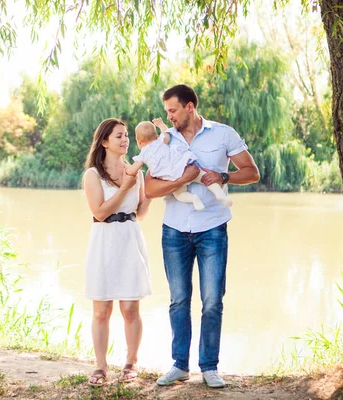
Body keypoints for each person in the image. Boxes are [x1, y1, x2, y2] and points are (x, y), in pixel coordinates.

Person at [144, 84, 260, 388]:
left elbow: (252, 172)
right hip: (174, 229)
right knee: (178, 300)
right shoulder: (163, 141)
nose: (168, 116)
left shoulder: (223, 134)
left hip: (212, 228)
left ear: (190, 107)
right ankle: (179, 365)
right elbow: (150, 189)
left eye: (173, 110)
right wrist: (182, 180)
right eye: (167, 111)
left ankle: (209, 367)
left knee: (212, 301)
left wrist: (223, 176)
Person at [83, 118, 153, 386]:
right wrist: (125, 186)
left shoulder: (136, 172)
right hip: (104, 241)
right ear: (104, 142)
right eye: (119, 136)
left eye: (126, 135)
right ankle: (100, 367)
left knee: (130, 308)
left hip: (130, 239)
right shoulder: (93, 175)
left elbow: (140, 213)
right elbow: (99, 213)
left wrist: (147, 191)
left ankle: (131, 363)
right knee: (101, 310)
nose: (125, 140)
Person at [126, 118, 233, 210]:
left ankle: (194, 199)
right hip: (184, 167)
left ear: (138, 141)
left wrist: (127, 170)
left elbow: (132, 170)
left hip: (172, 178)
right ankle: (220, 194)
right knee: (204, 177)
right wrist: (160, 124)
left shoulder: (143, 154)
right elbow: (166, 133)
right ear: (156, 135)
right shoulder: (160, 141)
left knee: (180, 195)